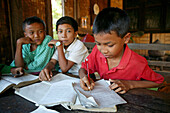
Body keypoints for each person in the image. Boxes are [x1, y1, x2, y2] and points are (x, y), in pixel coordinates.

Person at [79, 7, 164, 94]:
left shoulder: (138, 63)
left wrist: (130, 84)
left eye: (110, 45)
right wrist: (84, 77)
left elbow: (159, 82)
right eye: (98, 43)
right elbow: (83, 68)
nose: (103, 50)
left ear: (126, 38)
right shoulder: (96, 52)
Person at [39, 16, 89, 81]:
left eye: (68, 31)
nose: (64, 36)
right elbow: (52, 61)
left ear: (75, 34)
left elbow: (64, 68)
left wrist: (59, 46)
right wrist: (46, 69)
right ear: (57, 33)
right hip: (66, 76)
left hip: (80, 77)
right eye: (60, 31)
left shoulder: (79, 45)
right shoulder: (60, 44)